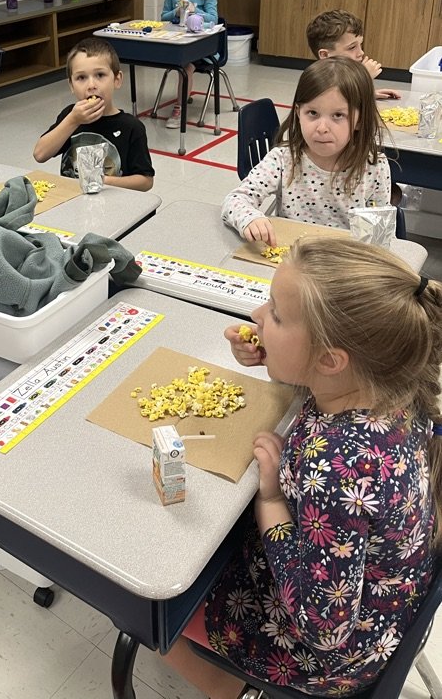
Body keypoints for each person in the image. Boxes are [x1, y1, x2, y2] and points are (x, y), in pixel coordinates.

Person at [163, 235, 441, 698]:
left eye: (274, 313)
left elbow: (324, 628)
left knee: (158, 608)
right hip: (382, 600)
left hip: (326, 653)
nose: (255, 316)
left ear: (330, 360)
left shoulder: (337, 469)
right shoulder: (388, 382)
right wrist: (275, 359)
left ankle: (232, 690)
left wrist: (271, 501)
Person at [222, 57, 390, 246]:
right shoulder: (283, 159)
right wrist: (250, 219)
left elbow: (379, 234)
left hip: (344, 264)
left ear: (359, 120)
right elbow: (236, 199)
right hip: (292, 262)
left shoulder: (374, 166)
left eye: (338, 115)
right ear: (298, 113)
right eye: (312, 113)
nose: (322, 128)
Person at [33, 37, 155, 191]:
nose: (91, 85)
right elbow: (40, 154)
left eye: (100, 75)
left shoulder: (131, 127)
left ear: (117, 80)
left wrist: (103, 180)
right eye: (81, 78)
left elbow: (145, 181)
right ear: (71, 85)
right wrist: (72, 120)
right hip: (73, 203)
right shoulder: (70, 116)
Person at [160, 0, 219, 129]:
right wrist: (177, 12)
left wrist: (195, 11)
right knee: (176, 60)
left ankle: (179, 108)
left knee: (186, 67)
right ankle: (183, 98)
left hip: (202, 47)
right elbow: (163, 17)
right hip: (179, 42)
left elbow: (214, 19)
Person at [306, 9, 401, 100]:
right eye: (352, 47)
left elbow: (345, 94)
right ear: (325, 55)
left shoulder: (343, 76)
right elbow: (334, 104)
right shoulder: (316, 79)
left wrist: (367, 95)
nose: (361, 53)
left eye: (361, 45)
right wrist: (363, 77)